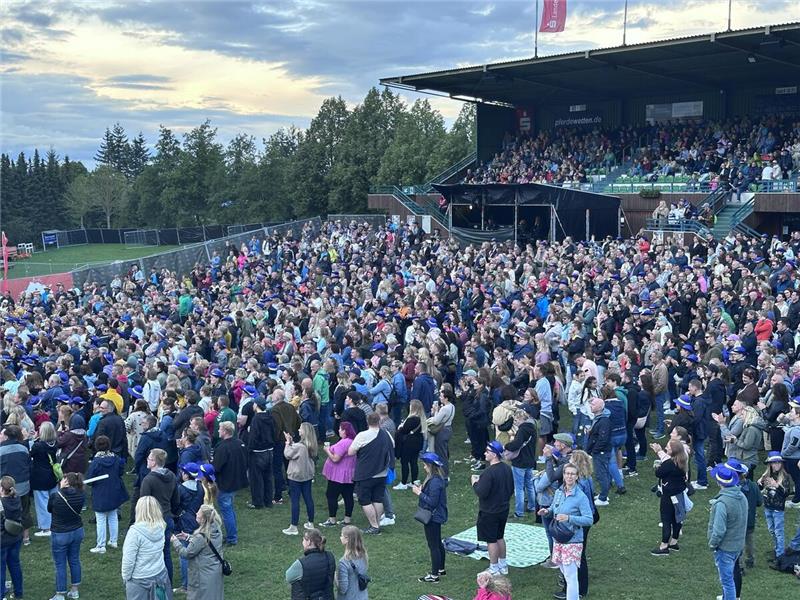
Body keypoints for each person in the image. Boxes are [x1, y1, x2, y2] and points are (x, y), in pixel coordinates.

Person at [537, 463, 593, 600]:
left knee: (570, 576)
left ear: (577, 476)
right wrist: (547, 511)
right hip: (559, 538)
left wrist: (569, 518)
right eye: (567, 473)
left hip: (572, 540)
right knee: (564, 570)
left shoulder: (580, 497)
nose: (569, 476)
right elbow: (553, 508)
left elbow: (588, 519)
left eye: (572, 474)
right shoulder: (559, 492)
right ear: (563, 475)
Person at [471, 440, 514, 576]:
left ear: (494, 454)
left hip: (489, 511)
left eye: (487, 452)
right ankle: (503, 564)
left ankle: (494, 567)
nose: (484, 453)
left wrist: (474, 483)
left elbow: (481, 492)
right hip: (503, 508)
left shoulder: (488, 473)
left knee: (491, 540)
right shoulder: (507, 468)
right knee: (500, 537)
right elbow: (511, 489)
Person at [348, 413, 395, 535]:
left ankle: (374, 526)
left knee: (365, 500)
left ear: (367, 422)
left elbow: (351, 451)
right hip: (382, 472)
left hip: (366, 473)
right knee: (377, 499)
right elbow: (392, 445)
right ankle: (377, 524)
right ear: (379, 421)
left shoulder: (362, 435)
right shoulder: (386, 434)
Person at [708, 465, 748, 600]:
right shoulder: (742, 496)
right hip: (738, 545)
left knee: (727, 582)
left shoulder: (722, 503)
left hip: (725, 548)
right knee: (730, 580)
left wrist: (713, 544)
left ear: (719, 482)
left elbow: (719, 530)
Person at [140, 448, 180, 584]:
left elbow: (143, 503)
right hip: (168, 518)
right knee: (166, 553)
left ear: (155, 462)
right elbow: (176, 500)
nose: (147, 460)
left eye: (150, 459)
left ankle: (154, 583)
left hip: (152, 521)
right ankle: (168, 583)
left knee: (152, 554)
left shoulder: (148, 480)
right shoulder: (172, 476)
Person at [121, 496, 172, 600]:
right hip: (160, 574)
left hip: (139, 579)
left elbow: (128, 560)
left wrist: (126, 578)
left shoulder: (134, 533)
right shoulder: (161, 526)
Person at [85, 435, 129, 553]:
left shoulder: (96, 462)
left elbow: (89, 478)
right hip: (114, 491)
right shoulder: (116, 458)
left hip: (100, 493)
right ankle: (113, 541)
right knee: (113, 516)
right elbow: (121, 471)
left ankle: (101, 545)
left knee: (101, 519)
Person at [171, 504, 224, 600]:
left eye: (199, 513)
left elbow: (186, 553)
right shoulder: (216, 529)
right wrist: (188, 537)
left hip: (202, 576)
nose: (196, 513)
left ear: (203, 519)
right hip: (214, 572)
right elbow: (205, 544)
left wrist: (175, 541)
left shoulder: (200, 536)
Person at [47, 472, 86, 600]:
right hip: (77, 531)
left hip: (60, 533)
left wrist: (60, 489)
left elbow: (49, 509)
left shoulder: (56, 496)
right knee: (74, 559)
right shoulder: (81, 494)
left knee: (60, 564)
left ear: (66, 482)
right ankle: (75, 590)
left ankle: (60, 594)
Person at [412, 452, 448, 583]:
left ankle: (434, 575)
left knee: (433, 545)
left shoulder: (434, 482)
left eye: (425, 465)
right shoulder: (436, 479)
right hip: (436, 516)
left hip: (432, 517)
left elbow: (432, 502)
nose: (424, 467)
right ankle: (440, 569)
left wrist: (419, 493)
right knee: (438, 542)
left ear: (430, 466)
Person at [649, 439, 689, 556]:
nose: (666, 449)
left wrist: (657, 466)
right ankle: (674, 542)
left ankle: (664, 546)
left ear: (673, 451)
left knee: (666, 519)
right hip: (679, 495)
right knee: (677, 518)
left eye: (668, 448)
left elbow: (659, 473)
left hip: (668, 496)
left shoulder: (669, 464)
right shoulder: (683, 461)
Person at [212, 421, 249, 545]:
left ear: (224, 431)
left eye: (219, 429)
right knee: (230, 508)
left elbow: (216, 467)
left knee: (226, 510)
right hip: (236, 481)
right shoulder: (240, 443)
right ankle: (232, 534)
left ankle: (232, 538)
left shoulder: (222, 447)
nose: (218, 431)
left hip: (225, 483)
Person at [319, 421, 357, 528]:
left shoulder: (343, 443)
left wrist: (327, 450)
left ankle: (332, 520)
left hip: (338, 475)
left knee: (331, 495)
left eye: (340, 429)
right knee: (348, 496)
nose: (338, 430)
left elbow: (335, 458)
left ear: (345, 431)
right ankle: (347, 519)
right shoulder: (353, 441)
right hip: (350, 474)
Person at [283, 422, 318, 535]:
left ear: (304, 432)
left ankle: (293, 526)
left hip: (296, 477)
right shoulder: (311, 445)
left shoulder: (299, 447)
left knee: (295, 500)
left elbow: (288, 454)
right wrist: (292, 443)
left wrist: (288, 443)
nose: (298, 430)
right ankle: (310, 522)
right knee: (308, 498)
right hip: (307, 476)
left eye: (300, 429)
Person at [0, 425, 32, 546]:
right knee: (24, 511)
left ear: (7, 436)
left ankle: (6, 536)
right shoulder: (23, 448)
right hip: (23, 485)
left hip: (5, 486)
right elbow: (28, 465)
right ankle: (26, 538)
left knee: (5, 512)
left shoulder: (1, 450)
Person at [504, 409, 538, 519]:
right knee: (530, 485)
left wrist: (507, 446)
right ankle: (532, 506)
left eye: (516, 420)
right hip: (530, 460)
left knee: (519, 488)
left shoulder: (522, 430)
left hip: (520, 461)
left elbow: (516, 444)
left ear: (521, 419)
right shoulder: (533, 428)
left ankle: (519, 512)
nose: (515, 422)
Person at [285, 528, 336, 600]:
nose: (302, 542)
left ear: (308, 542)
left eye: (303, 540)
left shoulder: (301, 563)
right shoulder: (330, 556)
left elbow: (288, 577)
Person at [757, 451, 788, 562]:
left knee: (779, 531)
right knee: (771, 530)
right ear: (770, 464)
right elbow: (759, 490)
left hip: (778, 509)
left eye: (779, 463)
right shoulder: (766, 475)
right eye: (774, 463)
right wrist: (759, 483)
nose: (777, 465)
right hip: (768, 507)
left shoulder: (784, 477)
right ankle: (777, 549)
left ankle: (780, 555)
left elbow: (786, 494)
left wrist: (777, 486)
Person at [30, 421, 59, 537]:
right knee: (54, 502)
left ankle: (46, 528)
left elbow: (29, 454)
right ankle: (55, 524)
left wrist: (32, 439)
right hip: (52, 476)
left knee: (42, 503)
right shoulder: (54, 444)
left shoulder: (38, 446)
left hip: (40, 478)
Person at [246, 396, 275, 510]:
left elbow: (253, 437)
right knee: (268, 477)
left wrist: (249, 449)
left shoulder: (256, 419)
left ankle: (257, 502)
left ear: (256, 405)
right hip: (269, 451)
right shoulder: (270, 417)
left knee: (256, 478)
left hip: (257, 452)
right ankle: (268, 501)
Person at [585, 398, 613, 506]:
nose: (591, 405)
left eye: (593, 404)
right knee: (603, 473)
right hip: (600, 451)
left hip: (601, 452)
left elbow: (603, 439)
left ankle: (603, 498)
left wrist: (594, 450)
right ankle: (603, 494)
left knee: (602, 474)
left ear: (600, 407)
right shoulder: (598, 419)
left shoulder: (604, 421)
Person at [0, 475, 24, 600]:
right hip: (16, 537)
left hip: (2, 540)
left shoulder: (1, 503)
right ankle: (18, 592)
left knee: (1, 569)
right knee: (15, 565)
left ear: (2, 489)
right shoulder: (16, 498)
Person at [393, 400, 425, 490]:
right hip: (417, 443)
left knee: (405, 462)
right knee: (414, 462)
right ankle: (414, 481)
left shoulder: (412, 419)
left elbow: (403, 431)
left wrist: (400, 428)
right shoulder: (421, 418)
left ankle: (403, 483)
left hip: (408, 444)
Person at [427, 384, 455, 476]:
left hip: (442, 431)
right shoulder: (452, 406)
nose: (440, 397)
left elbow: (436, 421)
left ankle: (444, 474)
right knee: (444, 452)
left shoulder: (444, 409)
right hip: (448, 429)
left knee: (441, 454)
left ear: (446, 398)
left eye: (441, 396)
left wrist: (435, 411)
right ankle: (443, 473)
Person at [335, 525, 368, 600]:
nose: (340, 537)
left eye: (341, 535)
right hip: (362, 596)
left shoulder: (343, 562)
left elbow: (343, 589)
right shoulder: (364, 555)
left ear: (347, 539)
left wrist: (335, 577)